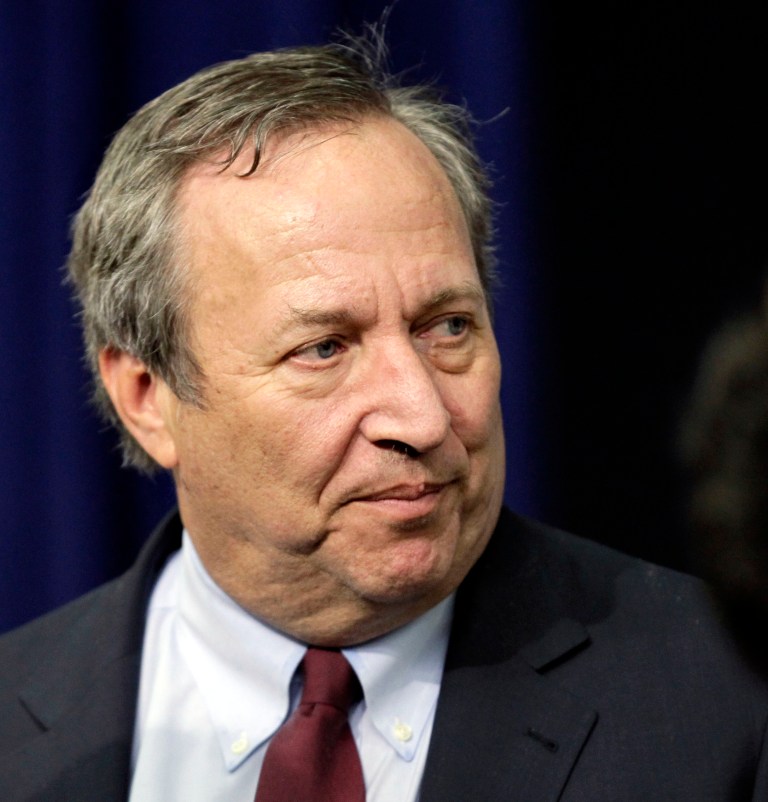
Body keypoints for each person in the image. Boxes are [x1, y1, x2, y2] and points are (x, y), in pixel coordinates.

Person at [1, 34, 767, 802]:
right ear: (147, 397)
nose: (423, 417)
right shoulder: (18, 722)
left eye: (448, 327)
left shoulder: (731, 695)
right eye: (324, 348)